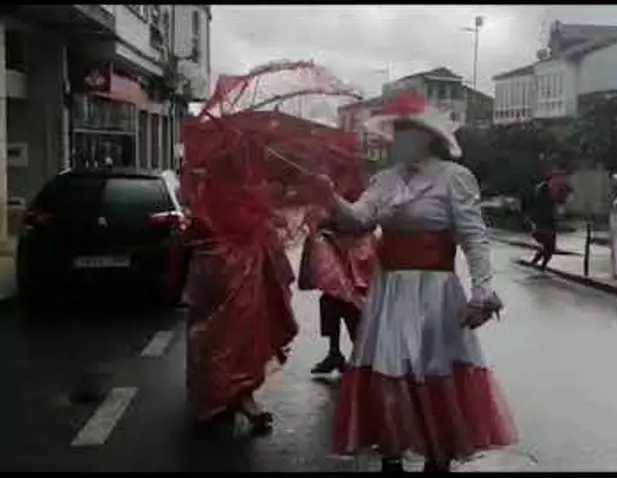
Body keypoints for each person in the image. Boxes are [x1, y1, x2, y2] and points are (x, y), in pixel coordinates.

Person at [317, 93, 516, 472]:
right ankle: (391, 452)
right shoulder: (385, 179)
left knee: (434, 369)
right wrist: (329, 195)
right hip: (390, 293)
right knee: (390, 368)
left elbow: (474, 238)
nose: (397, 139)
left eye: (406, 131)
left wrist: (482, 291)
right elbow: (358, 220)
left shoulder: (454, 178)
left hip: (435, 296)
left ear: (427, 137)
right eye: (396, 131)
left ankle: (437, 456)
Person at [183, 204, 299, 436]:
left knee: (233, 335)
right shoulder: (215, 193)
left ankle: (230, 396)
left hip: (229, 268)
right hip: (226, 269)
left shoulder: (209, 191)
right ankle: (226, 396)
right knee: (224, 336)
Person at [298, 210, 377, 374]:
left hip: (355, 242)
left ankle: (359, 356)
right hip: (332, 239)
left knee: (350, 298)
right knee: (332, 295)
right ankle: (335, 352)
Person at [527, 170, 569, 271]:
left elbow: (561, 201)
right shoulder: (542, 189)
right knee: (547, 243)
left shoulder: (559, 190)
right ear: (551, 179)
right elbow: (539, 204)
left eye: (561, 179)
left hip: (551, 222)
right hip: (541, 221)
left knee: (550, 247)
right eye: (558, 178)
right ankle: (536, 263)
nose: (560, 181)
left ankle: (540, 265)